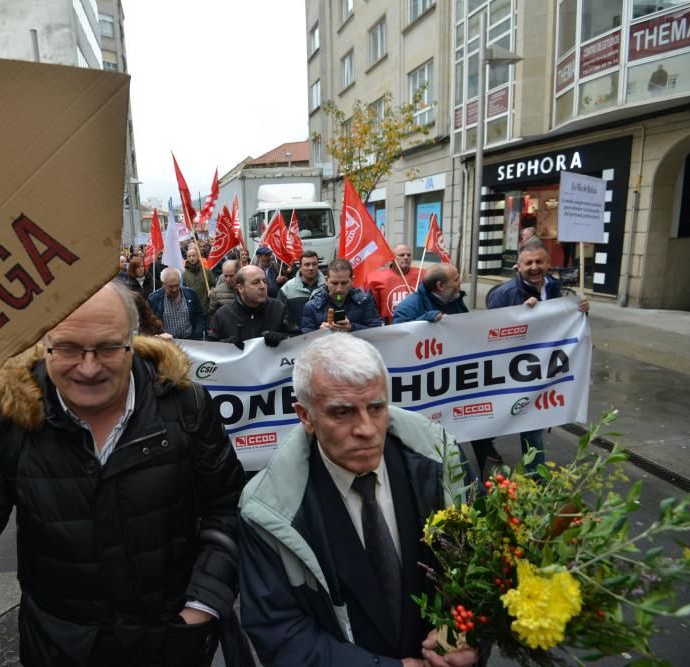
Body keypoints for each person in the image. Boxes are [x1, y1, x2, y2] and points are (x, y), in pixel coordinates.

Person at [0, 283, 247, 666]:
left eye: (109, 347)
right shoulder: (10, 421)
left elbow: (226, 508)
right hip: (61, 650)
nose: (89, 367)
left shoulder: (185, 404)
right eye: (67, 348)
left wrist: (200, 607)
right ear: (43, 344)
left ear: (133, 341)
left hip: (172, 642)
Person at [237, 333, 477, 666]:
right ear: (305, 416)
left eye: (376, 408)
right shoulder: (267, 510)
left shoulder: (445, 462)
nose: (366, 429)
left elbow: (483, 577)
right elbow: (279, 632)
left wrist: (467, 634)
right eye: (343, 413)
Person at [473, 239, 590, 475]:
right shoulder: (505, 294)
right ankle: (479, 450)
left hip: (539, 369)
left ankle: (535, 478)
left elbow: (565, 324)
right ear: (518, 265)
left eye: (539, 261)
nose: (534, 267)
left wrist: (581, 313)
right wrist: (521, 316)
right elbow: (490, 334)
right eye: (528, 263)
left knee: (532, 421)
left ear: (549, 263)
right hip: (508, 371)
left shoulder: (556, 290)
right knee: (499, 419)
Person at [210, 265, 297, 349]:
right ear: (240, 288)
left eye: (265, 281)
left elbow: (298, 340)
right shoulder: (223, 314)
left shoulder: (279, 309)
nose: (263, 286)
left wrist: (283, 338)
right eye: (256, 282)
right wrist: (225, 345)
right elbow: (209, 348)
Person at [301, 259, 382, 333]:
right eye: (334, 283)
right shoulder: (312, 306)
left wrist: (351, 328)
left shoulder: (365, 301)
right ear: (326, 280)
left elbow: (376, 332)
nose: (339, 289)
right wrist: (320, 333)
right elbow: (305, 340)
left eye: (344, 283)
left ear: (352, 281)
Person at [366, 244, 425, 324]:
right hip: (389, 326)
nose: (406, 257)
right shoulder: (377, 278)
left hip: (417, 323)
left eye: (409, 255)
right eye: (401, 255)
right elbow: (372, 306)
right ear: (392, 258)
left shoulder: (423, 274)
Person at [392, 263, 468, 324]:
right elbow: (400, 336)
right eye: (456, 279)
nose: (460, 282)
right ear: (440, 286)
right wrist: (424, 320)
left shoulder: (455, 298)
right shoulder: (406, 308)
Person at [147, 267, 206, 340]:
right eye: (171, 287)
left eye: (177, 285)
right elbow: (149, 323)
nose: (174, 289)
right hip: (167, 343)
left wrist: (198, 333)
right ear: (163, 284)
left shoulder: (191, 294)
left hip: (190, 340)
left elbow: (199, 316)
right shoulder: (154, 299)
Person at [183, 246, 215, 312]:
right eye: (189, 256)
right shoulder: (184, 275)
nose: (191, 258)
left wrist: (211, 290)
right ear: (187, 258)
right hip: (192, 308)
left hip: (206, 307)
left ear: (198, 256)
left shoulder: (206, 271)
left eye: (193, 256)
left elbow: (212, 284)